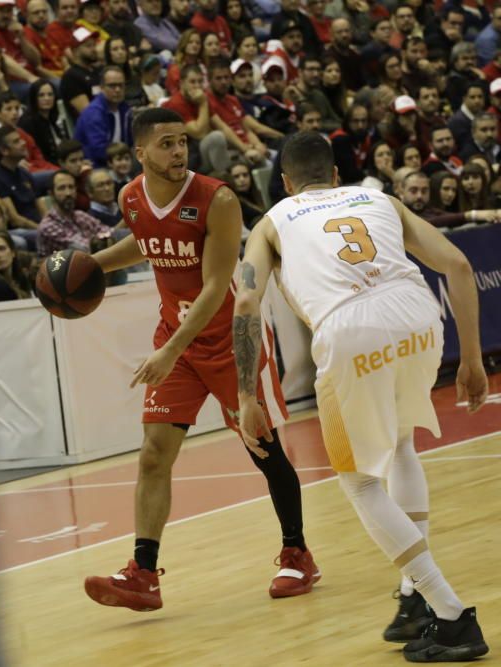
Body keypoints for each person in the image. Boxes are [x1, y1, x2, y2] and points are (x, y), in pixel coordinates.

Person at [233, 130, 490, 662]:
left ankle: (449, 612)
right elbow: (460, 266)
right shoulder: (380, 198)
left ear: (284, 183)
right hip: (418, 315)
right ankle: (412, 598)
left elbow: (244, 305)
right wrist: (472, 359)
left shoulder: (272, 220)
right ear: (334, 176)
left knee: (359, 483)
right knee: (399, 446)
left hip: (352, 330)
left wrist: (245, 391)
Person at [84, 108, 319, 612]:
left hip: (233, 339)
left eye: (182, 143)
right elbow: (146, 242)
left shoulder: (218, 199)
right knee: (153, 453)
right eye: (166, 144)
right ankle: (144, 574)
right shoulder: (130, 198)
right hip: (177, 340)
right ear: (140, 153)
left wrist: (168, 352)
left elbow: (216, 288)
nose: (178, 152)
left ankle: (297, 552)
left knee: (263, 447)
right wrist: (92, 266)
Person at [37, 170, 112, 256]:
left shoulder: (80, 215)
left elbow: (109, 232)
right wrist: (104, 240)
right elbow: (84, 248)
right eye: (62, 188)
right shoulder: (48, 226)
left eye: (71, 187)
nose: (68, 193)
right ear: (51, 194)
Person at [74, 66, 135, 167]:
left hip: (120, 163)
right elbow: (99, 151)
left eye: (121, 85)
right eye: (112, 86)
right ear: (101, 87)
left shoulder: (124, 109)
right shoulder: (94, 113)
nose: (117, 90)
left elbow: (130, 142)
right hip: (96, 166)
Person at [19, 80, 70, 166]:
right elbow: (40, 155)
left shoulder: (53, 117)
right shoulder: (28, 123)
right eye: (41, 95)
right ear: (34, 98)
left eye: (50, 94)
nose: (47, 98)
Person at [60, 27, 102, 121]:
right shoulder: (71, 77)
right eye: (88, 46)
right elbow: (88, 113)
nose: (94, 49)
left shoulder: (97, 71)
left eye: (94, 45)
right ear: (75, 51)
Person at [226, 160, 268, 228]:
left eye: (245, 175)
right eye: (236, 177)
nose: (242, 179)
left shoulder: (259, 194)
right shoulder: (231, 202)